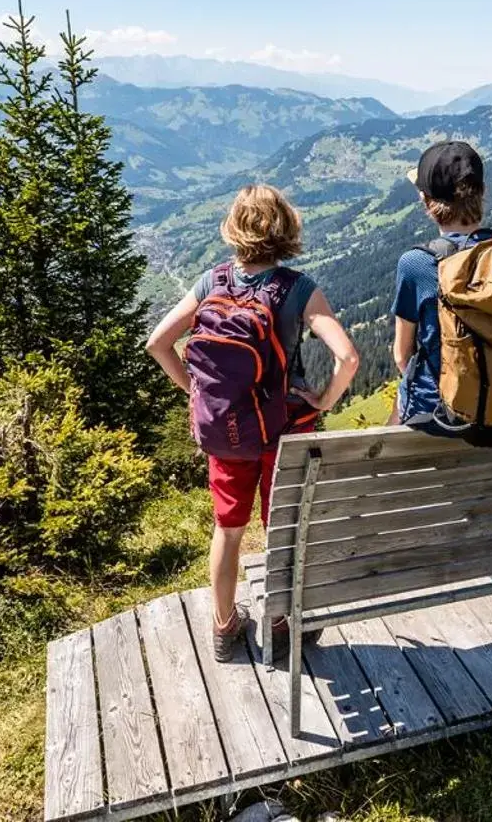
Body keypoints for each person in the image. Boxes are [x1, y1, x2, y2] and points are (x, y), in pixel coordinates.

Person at [145, 184, 358, 660]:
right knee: (281, 529)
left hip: (227, 434)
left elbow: (158, 343)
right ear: (285, 228)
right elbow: (347, 357)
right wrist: (322, 401)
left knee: (228, 529)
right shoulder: (298, 289)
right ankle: (282, 626)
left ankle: (224, 628)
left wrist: (198, 393)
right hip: (284, 431)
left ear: (234, 229)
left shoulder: (210, 282)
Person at [392, 140, 492, 428]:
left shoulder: (416, 263)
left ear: (425, 200)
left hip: (439, 416)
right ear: (482, 192)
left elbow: (402, 355)